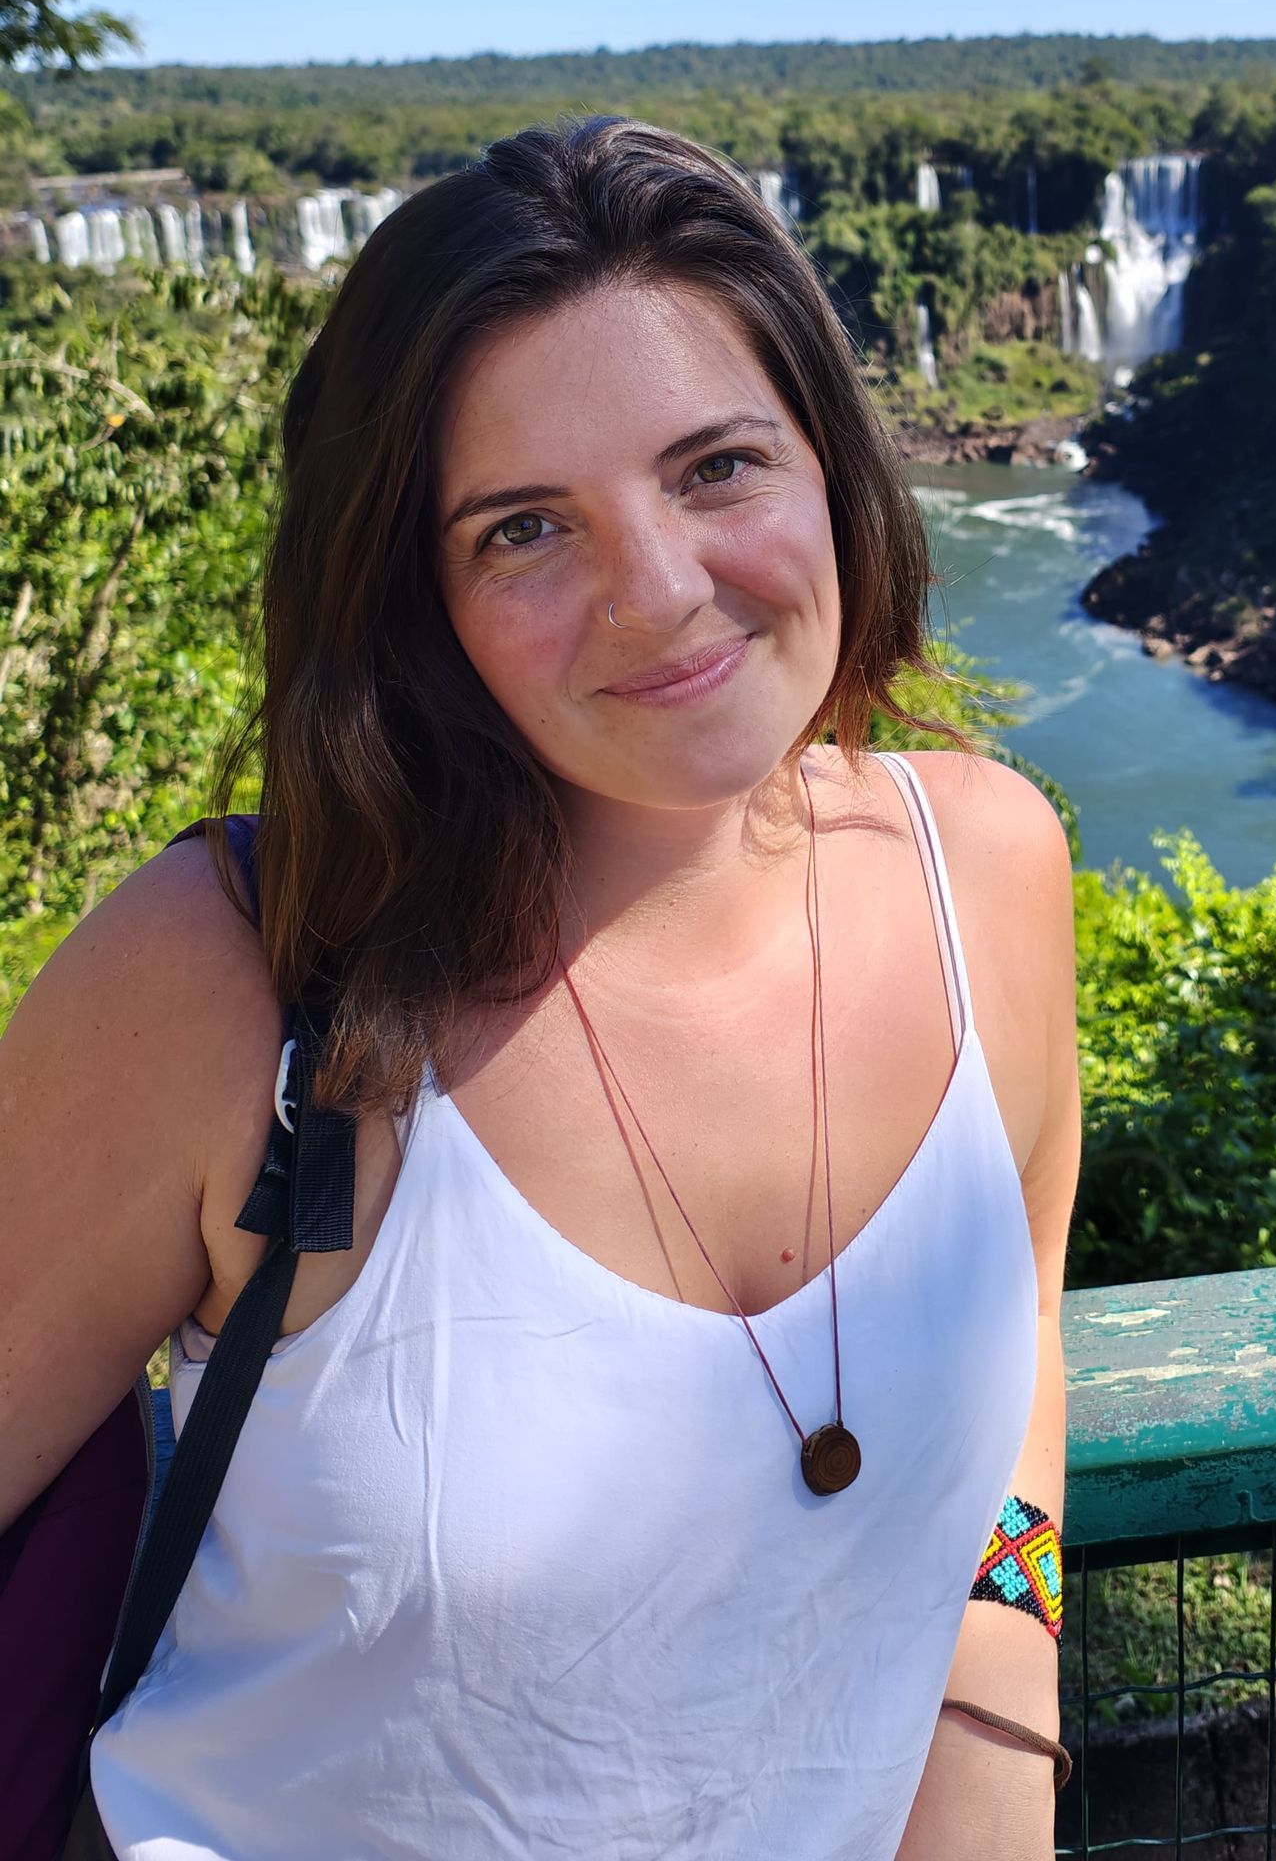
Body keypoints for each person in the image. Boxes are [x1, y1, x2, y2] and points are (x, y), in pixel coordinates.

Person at [0, 117, 1082, 1860]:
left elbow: (1021, 1311)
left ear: (833, 466)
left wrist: (995, 1699)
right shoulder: (231, 981)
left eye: (717, 466)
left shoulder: (991, 875)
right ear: (409, 598)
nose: (658, 596)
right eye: (522, 530)